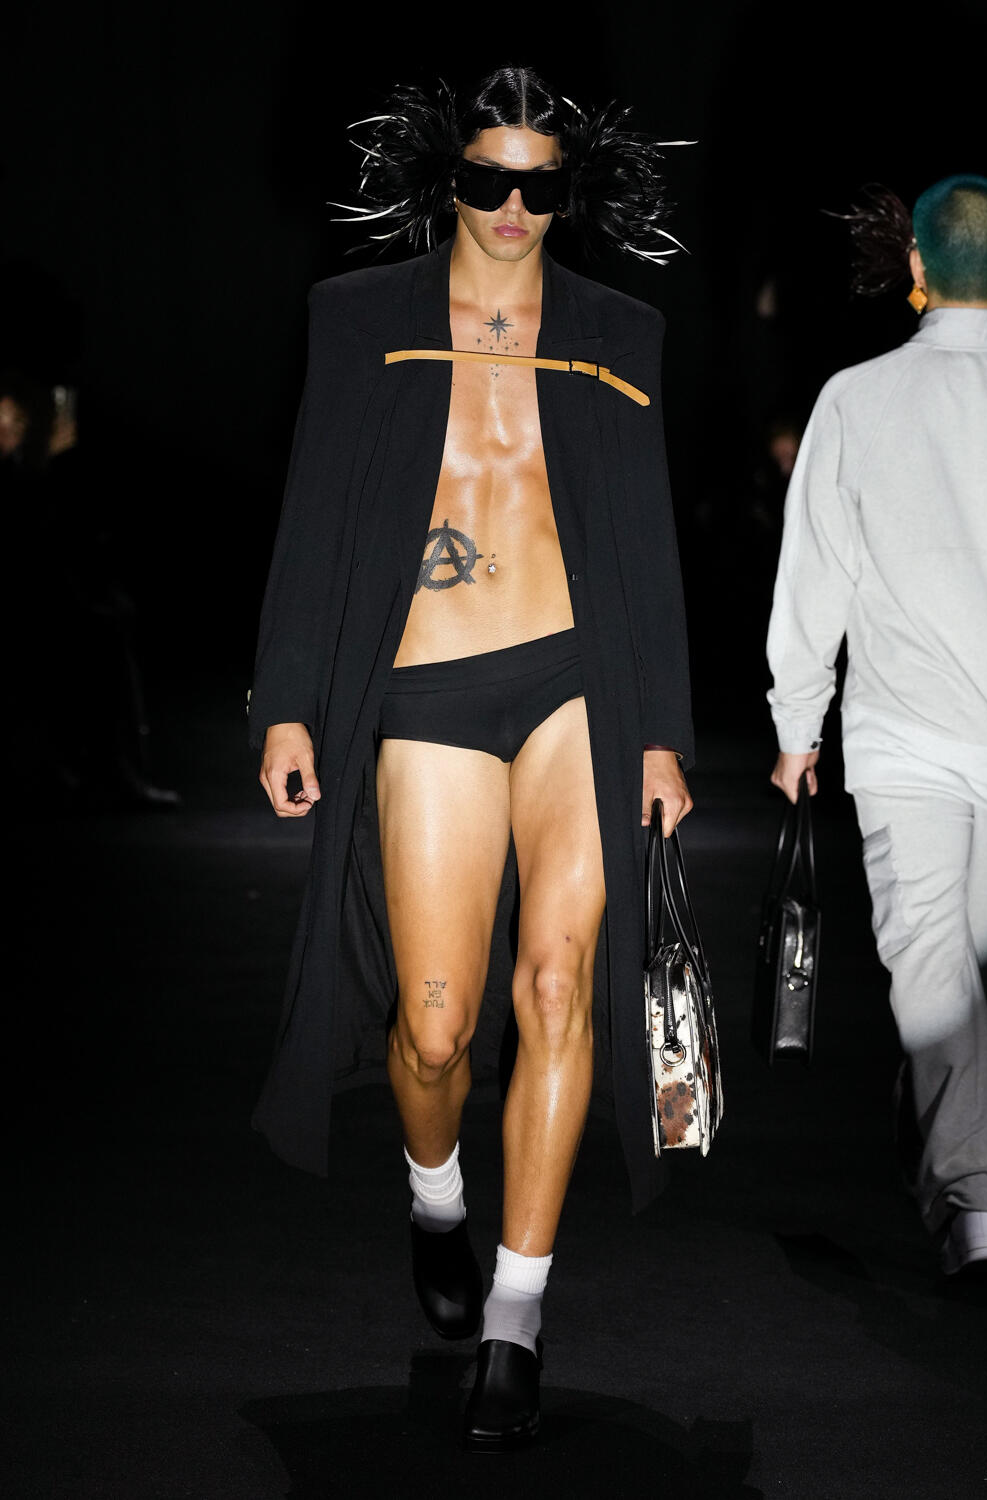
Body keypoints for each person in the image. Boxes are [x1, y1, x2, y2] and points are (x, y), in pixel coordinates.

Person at [249, 66, 694, 1446]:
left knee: (559, 984)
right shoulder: (360, 317)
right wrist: (287, 702)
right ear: (448, 180)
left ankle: (516, 1314)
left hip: (574, 681)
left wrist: (665, 732)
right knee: (435, 1029)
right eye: (489, 179)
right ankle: (435, 1196)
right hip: (429, 686)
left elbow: (646, 536)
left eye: (539, 185)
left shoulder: (619, 330)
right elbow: (314, 505)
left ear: (570, 193)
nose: (512, 207)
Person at [766, 175, 987, 1278]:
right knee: (955, 973)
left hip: (904, 736)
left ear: (915, 266)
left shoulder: (856, 400)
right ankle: (977, 1201)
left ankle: (967, 1180)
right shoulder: (856, 398)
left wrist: (795, 725)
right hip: (939, 738)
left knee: (937, 970)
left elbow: (816, 572)